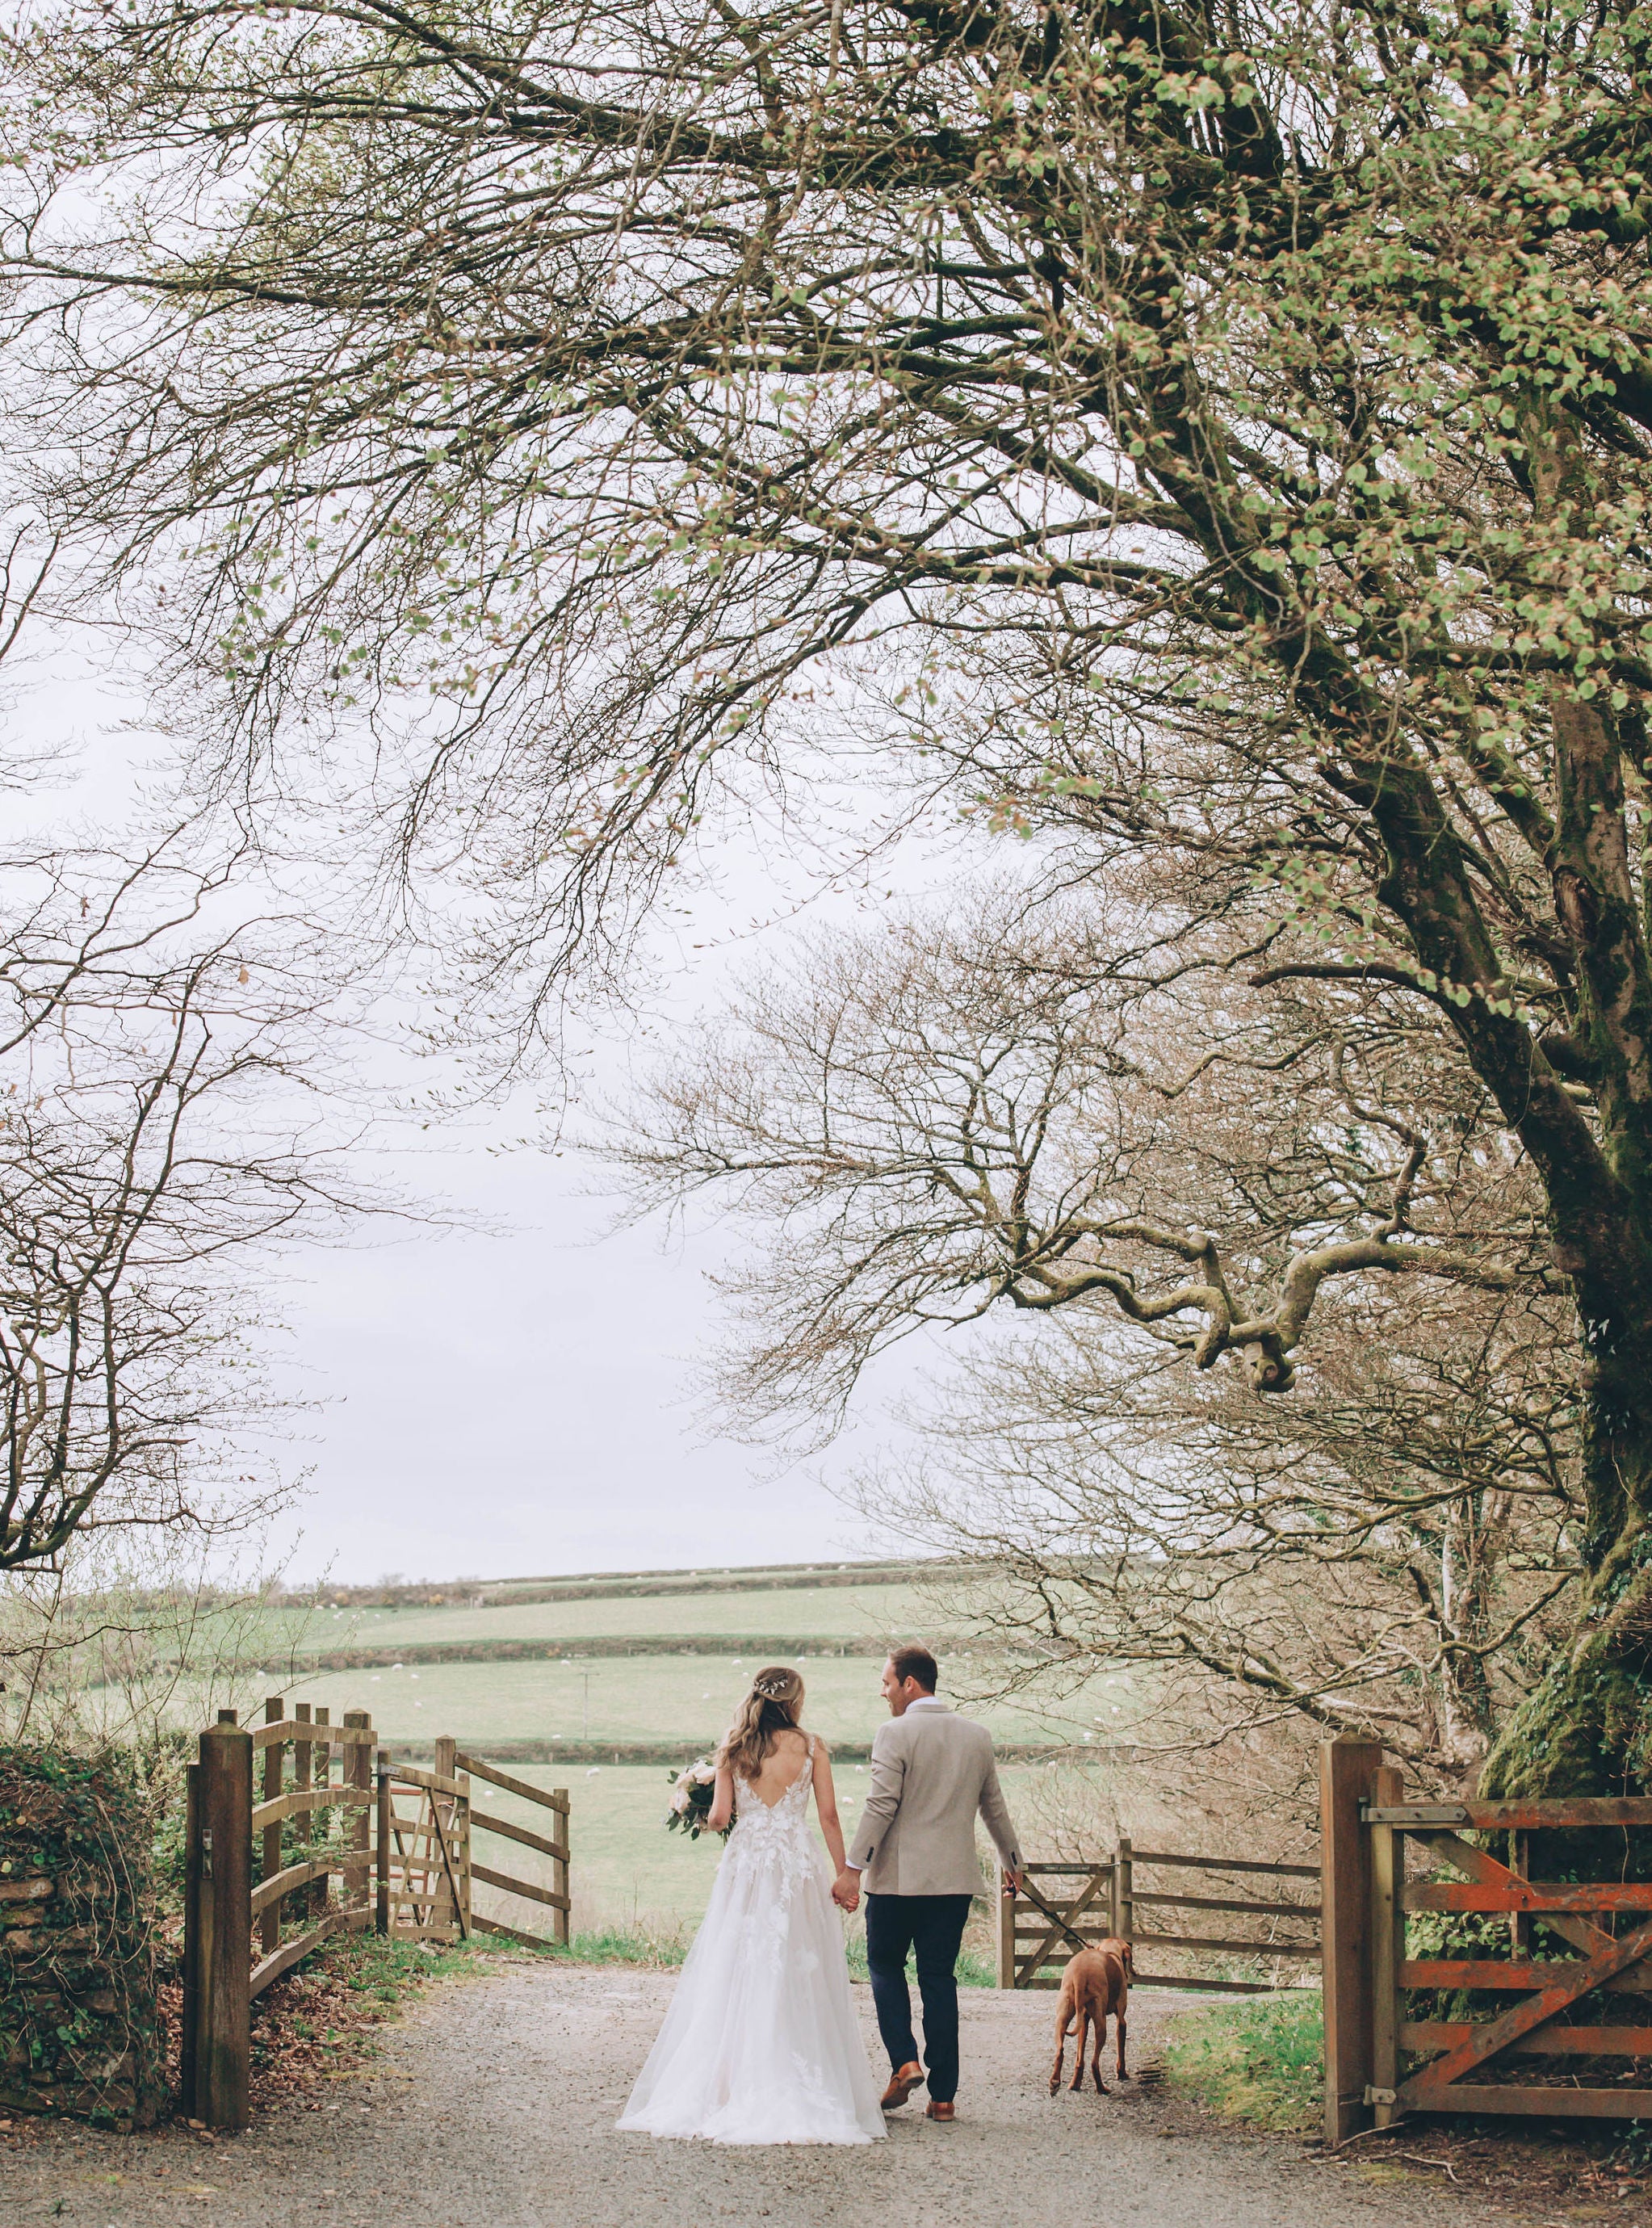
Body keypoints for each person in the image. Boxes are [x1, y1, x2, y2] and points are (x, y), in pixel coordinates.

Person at [617, 1664, 886, 2144]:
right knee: (798, 1962)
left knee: (737, 1960)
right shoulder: (812, 1746)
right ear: (795, 1700)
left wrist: (695, 1806)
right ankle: (805, 2077)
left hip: (749, 1863)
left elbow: (721, 1817)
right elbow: (826, 1815)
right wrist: (845, 1873)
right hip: (796, 1864)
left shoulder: (734, 1745)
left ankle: (728, 2084)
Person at [832, 1643, 1024, 2124]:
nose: (883, 1693)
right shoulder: (976, 1735)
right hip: (954, 1882)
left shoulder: (895, 1733)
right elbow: (994, 1806)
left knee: (883, 1965)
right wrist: (1013, 1862)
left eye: (886, 1683)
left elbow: (881, 1805)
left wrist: (853, 1868)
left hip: (897, 1882)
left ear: (909, 1684)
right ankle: (943, 2097)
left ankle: (904, 2062)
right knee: (939, 1980)